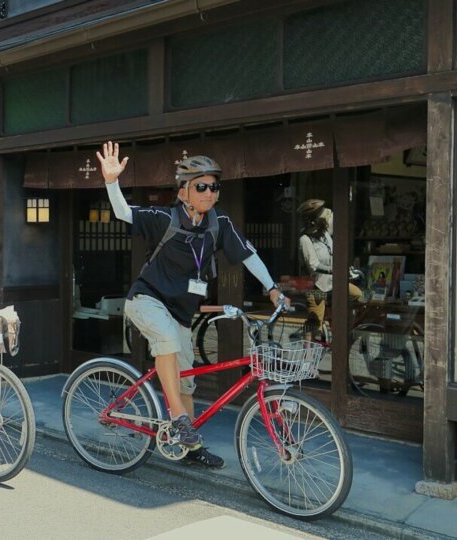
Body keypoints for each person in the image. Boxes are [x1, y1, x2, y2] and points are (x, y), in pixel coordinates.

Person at [96, 141, 287, 469]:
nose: (209, 193)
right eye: (201, 186)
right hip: (147, 300)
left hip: (181, 312)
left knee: (186, 381)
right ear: (183, 192)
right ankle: (181, 420)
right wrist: (112, 181)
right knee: (166, 342)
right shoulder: (164, 218)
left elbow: (248, 255)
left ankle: (189, 445)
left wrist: (272, 288)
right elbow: (123, 213)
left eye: (214, 186)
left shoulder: (218, 224)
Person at [297, 199, 363, 339]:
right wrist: (335, 270)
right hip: (317, 287)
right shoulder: (305, 239)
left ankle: (341, 324)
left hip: (334, 282)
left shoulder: (325, 233)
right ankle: (307, 354)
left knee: (358, 295)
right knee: (315, 324)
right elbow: (314, 265)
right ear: (313, 218)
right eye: (323, 213)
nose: (327, 214)